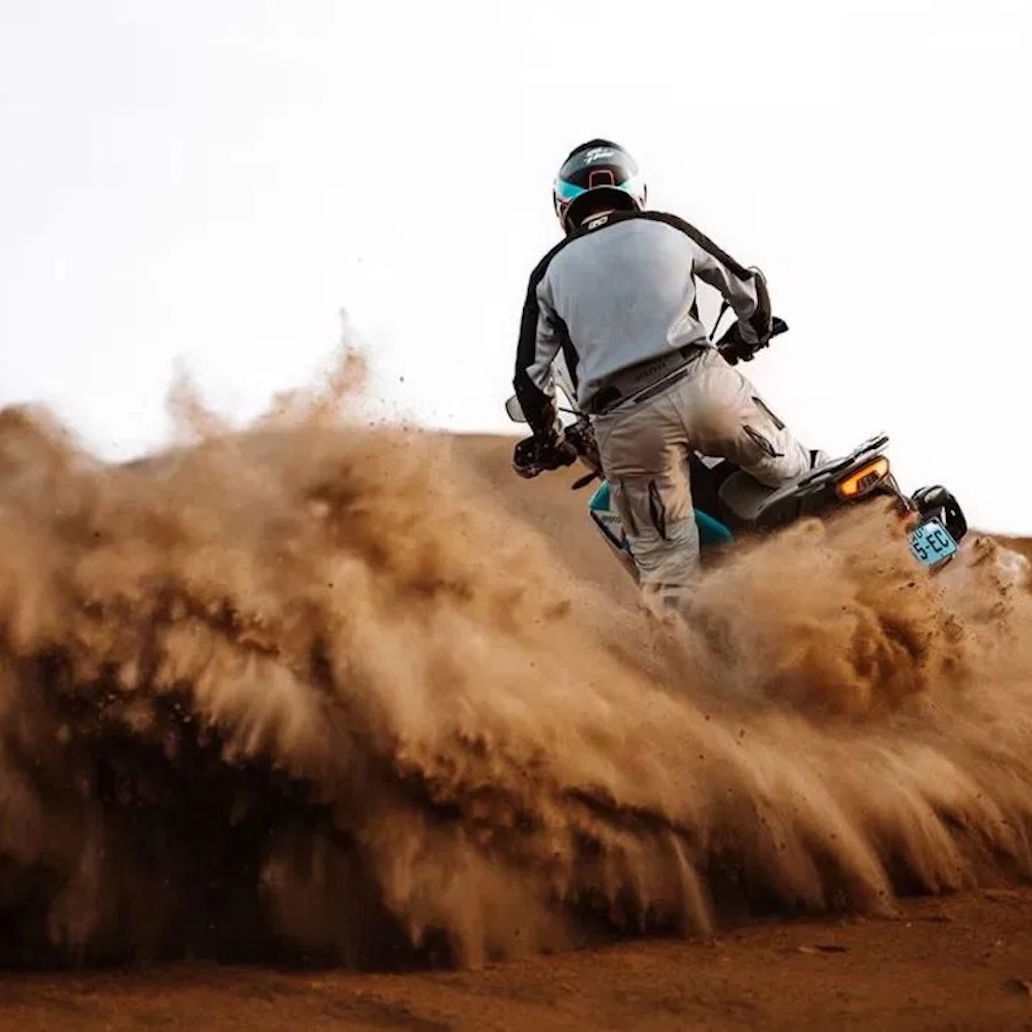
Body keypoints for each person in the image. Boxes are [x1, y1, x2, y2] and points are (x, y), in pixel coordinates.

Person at [512, 139, 820, 610]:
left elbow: (532, 381)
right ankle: (850, 541)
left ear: (563, 205)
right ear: (633, 190)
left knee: (670, 580)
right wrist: (752, 334)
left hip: (629, 427)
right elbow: (746, 287)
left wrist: (551, 440)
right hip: (705, 388)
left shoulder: (548, 273)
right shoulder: (665, 228)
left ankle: (703, 678)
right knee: (796, 472)